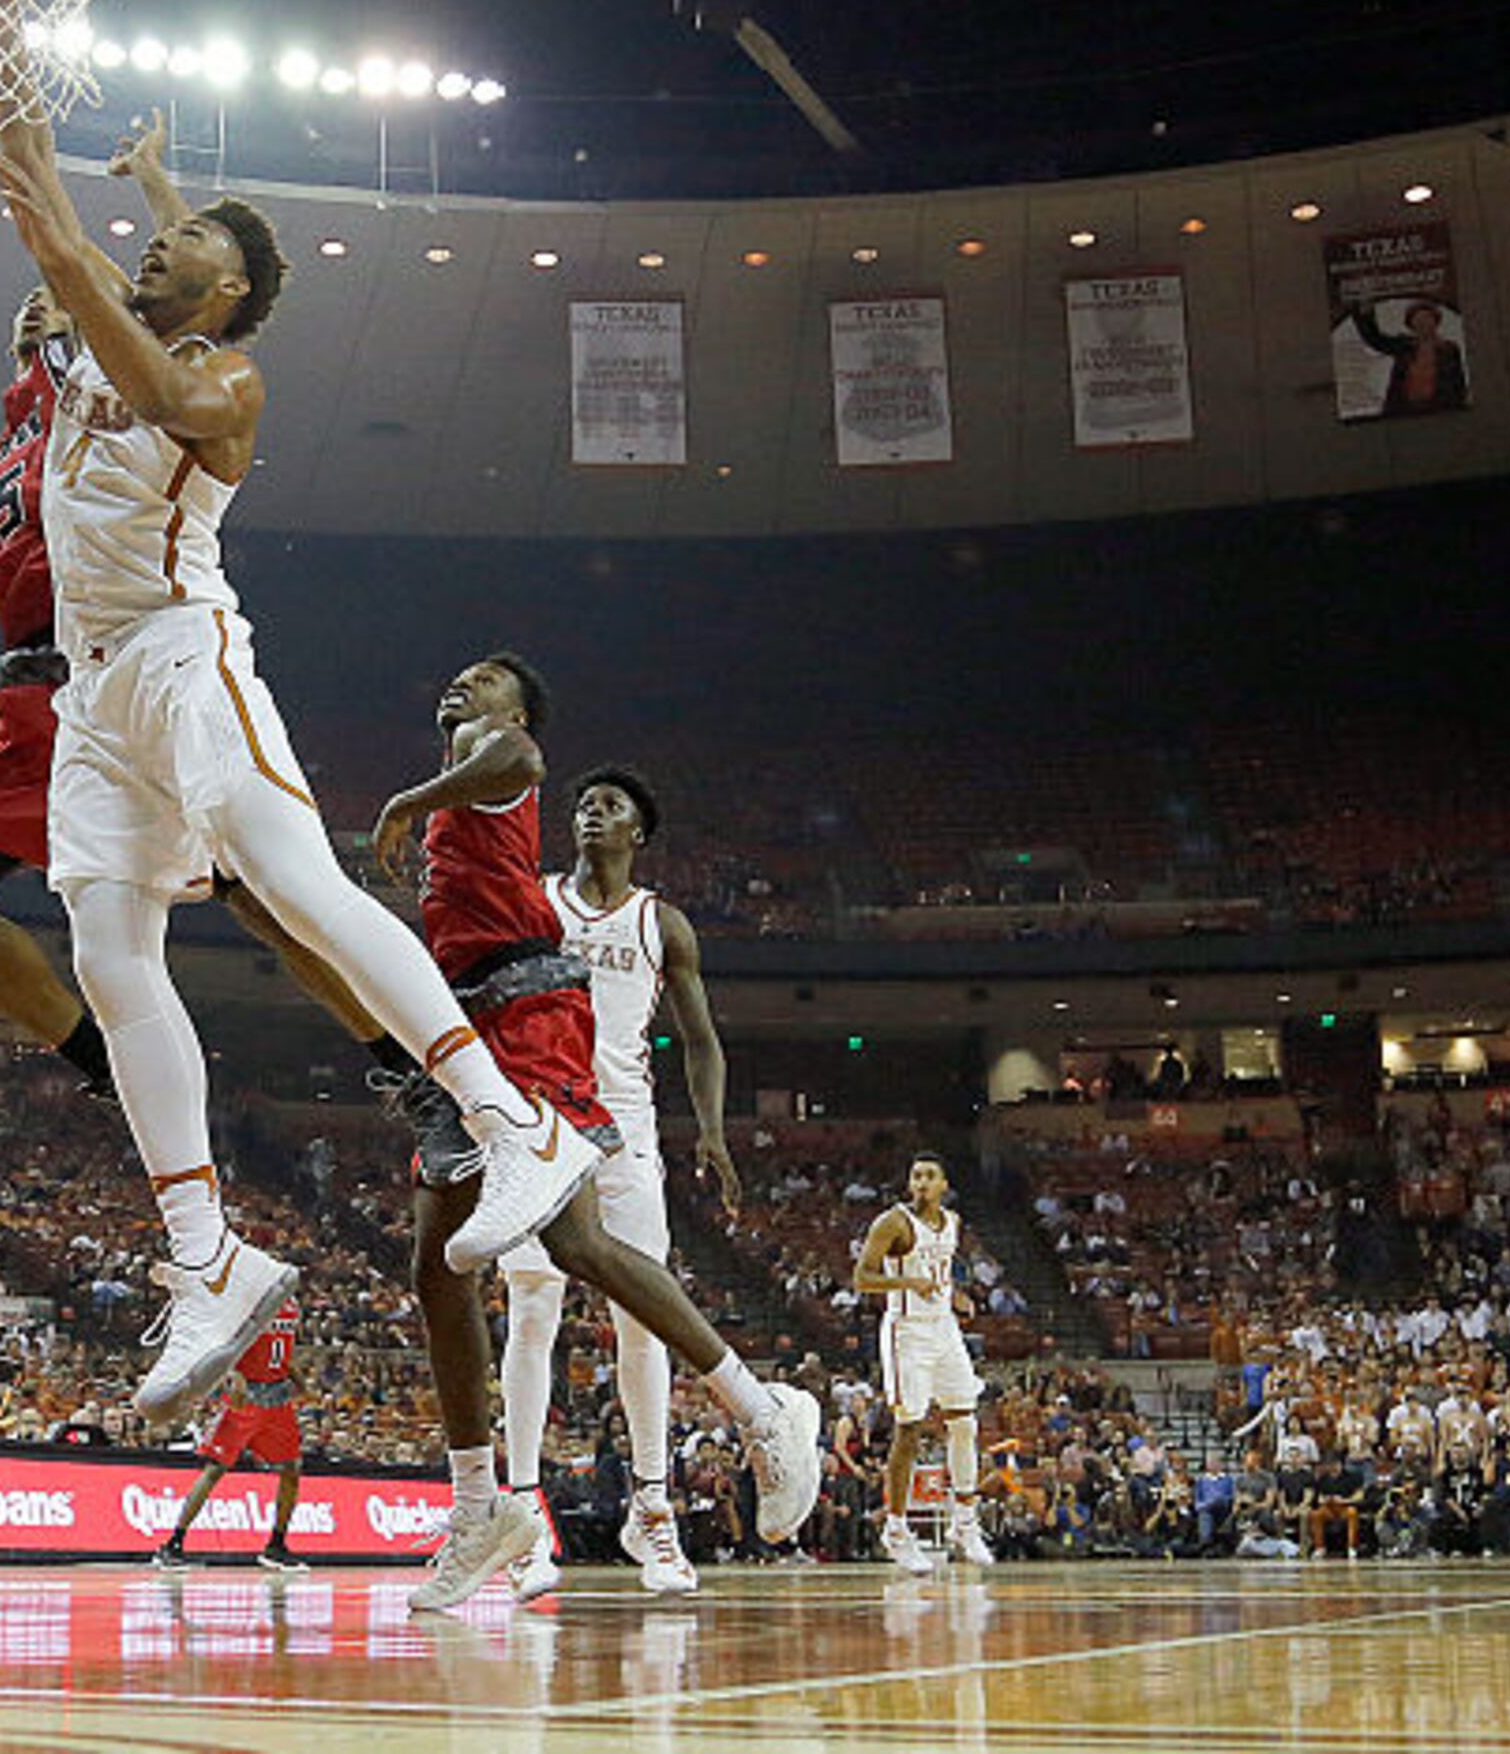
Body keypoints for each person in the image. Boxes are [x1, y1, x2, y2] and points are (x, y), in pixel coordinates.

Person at [0, 54, 601, 1423]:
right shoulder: (107, 319)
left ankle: (514, 1124)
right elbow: (67, 218)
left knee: (303, 888)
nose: (156, 248)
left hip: (181, 656)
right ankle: (207, 1258)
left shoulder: (227, 389)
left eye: (185, 247)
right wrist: (9, 30)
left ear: (229, 301)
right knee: (105, 948)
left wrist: (66, 230)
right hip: (88, 692)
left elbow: (130, 326)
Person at [291, 655, 816, 1609]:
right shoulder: (494, 829)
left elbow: (523, 761)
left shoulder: (501, 761)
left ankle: (755, 1414)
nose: (459, 683)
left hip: (536, 1020)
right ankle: (484, 1505)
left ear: (519, 708)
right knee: (440, 1264)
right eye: (452, 675)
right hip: (466, 1030)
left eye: (485, 677)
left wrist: (408, 798)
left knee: (580, 1255)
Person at [0, 129, 212, 1109]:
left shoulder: (100, 381)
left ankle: (398, 1042)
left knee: (252, 883)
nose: (43, 297)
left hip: (109, 667)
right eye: (32, 303)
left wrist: (157, 187)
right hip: (30, 685)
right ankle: (100, 1063)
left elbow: (193, 290)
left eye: (61, 294)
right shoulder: (6, 430)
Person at [494, 763, 742, 1596]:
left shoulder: (661, 924)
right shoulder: (537, 901)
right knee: (533, 1309)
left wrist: (710, 1130)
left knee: (643, 1319)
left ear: (639, 830)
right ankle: (525, 1518)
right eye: (583, 806)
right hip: (540, 1118)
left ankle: (652, 1509)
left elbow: (701, 1039)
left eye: (611, 806)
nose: (592, 815)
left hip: (626, 1131)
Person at [859, 1154, 995, 1571]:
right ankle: (896, 1529)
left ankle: (965, 1523)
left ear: (943, 1184)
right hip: (907, 1332)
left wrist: (953, 1296)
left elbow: (938, 1274)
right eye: (915, 1175)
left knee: (964, 1422)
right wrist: (906, 1281)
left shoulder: (951, 1222)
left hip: (944, 1327)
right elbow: (862, 1278)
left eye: (929, 1176)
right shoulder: (893, 1223)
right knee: (909, 1430)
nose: (920, 1182)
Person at [153, 1299, 306, 1571]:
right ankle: (172, 1545)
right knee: (215, 1468)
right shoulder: (248, 1301)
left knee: (292, 1469)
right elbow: (220, 1345)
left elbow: (280, 1351)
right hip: (245, 1396)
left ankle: (276, 1546)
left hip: (278, 1396)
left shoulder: (292, 1304)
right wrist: (232, 1373)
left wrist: (297, 1379)